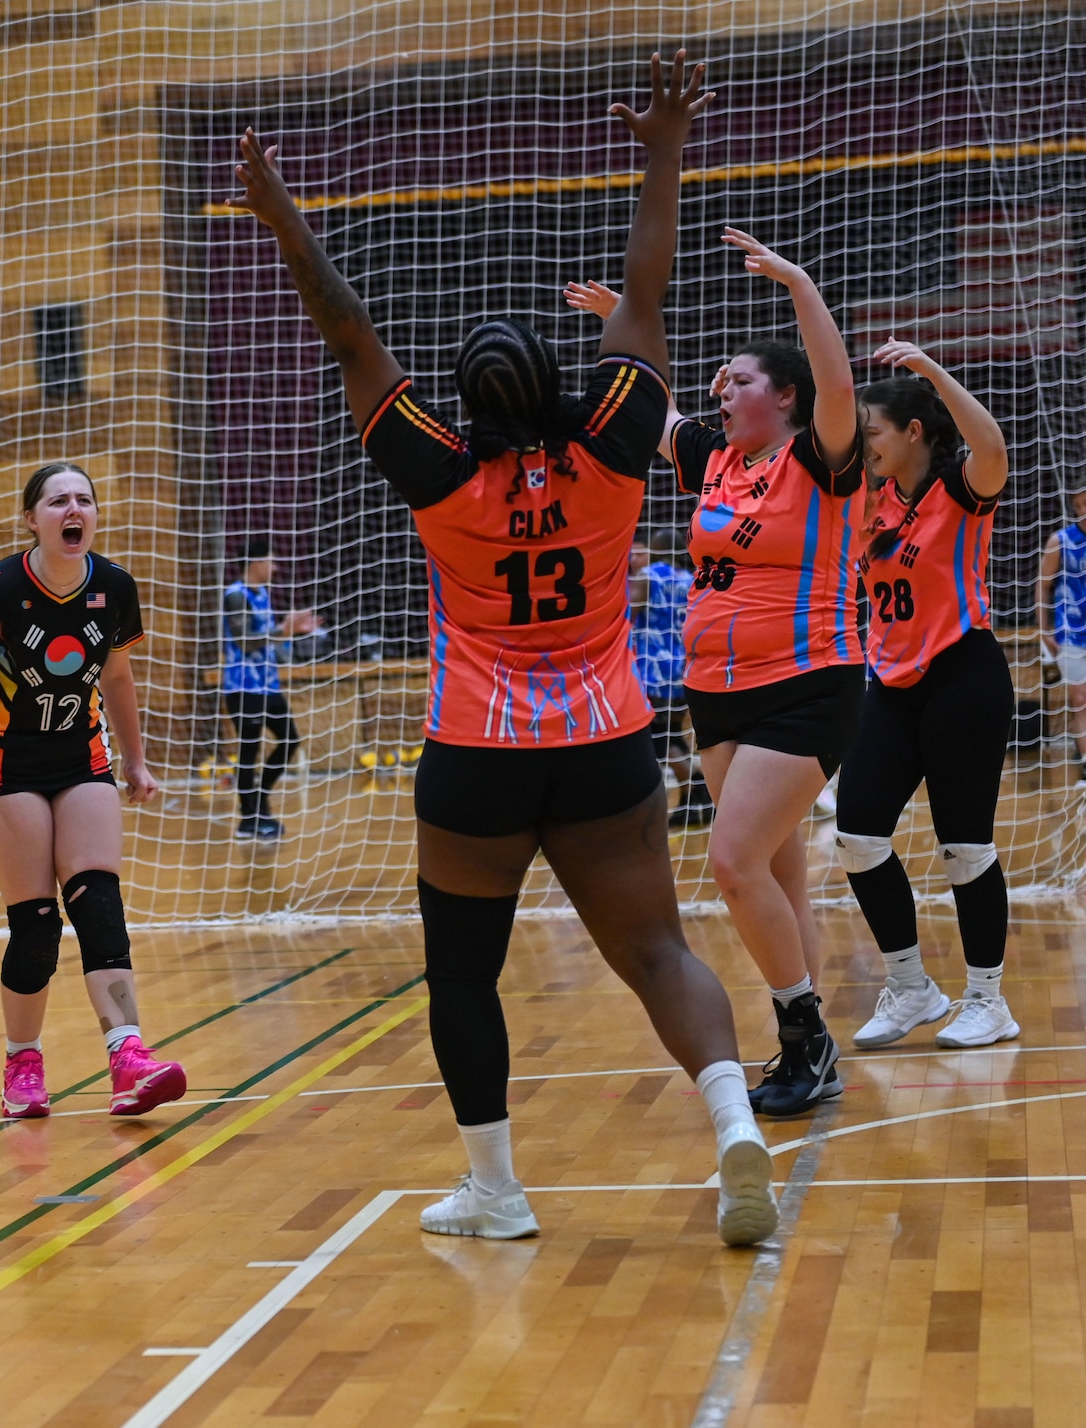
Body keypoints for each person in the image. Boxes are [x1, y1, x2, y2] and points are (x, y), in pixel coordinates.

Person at [234, 53, 778, 1246]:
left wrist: (282, 220)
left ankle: (494, 1190)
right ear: (556, 384)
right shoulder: (617, 445)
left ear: (467, 407)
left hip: (475, 750)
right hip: (606, 742)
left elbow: (345, 333)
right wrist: (662, 150)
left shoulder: (435, 471)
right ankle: (734, 1120)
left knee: (463, 976)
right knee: (653, 950)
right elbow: (643, 291)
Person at [575, 233, 864, 1117]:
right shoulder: (715, 460)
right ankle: (810, 1043)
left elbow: (836, 376)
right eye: (719, 383)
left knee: (732, 861)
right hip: (718, 689)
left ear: (783, 398)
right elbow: (647, 408)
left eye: (738, 381)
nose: (720, 391)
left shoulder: (819, 454)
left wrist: (798, 280)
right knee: (775, 877)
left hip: (809, 679)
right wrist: (621, 327)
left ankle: (803, 1036)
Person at [0, 462, 185, 1122]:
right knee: (37, 926)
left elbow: (120, 681)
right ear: (32, 519)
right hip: (7, 769)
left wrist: (136, 762)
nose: (72, 508)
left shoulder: (114, 587)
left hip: (83, 758)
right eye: (57, 500)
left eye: (83, 499)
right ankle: (22, 1061)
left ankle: (128, 1055)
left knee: (99, 902)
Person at [833, 342, 1016, 1048]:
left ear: (913, 432)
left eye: (873, 430)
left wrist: (932, 373)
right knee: (856, 835)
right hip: (891, 682)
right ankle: (912, 988)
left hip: (963, 677)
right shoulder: (868, 505)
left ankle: (989, 1000)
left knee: (963, 847)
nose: (865, 443)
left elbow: (990, 442)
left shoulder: (962, 491)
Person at [222, 536, 314, 840]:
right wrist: (282, 630)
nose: (275, 568)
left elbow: (271, 639)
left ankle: (260, 799)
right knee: (249, 751)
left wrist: (294, 634)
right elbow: (245, 641)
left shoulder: (264, 595)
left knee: (290, 740)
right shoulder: (236, 596)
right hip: (243, 687)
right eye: (272, 561)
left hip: (268, 685)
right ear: (257, 562)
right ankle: (249, 821)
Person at [627, 527, 711, 823]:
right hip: (683, 669)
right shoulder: (691, 581)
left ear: (656, 549)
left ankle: (698, 783)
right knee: (672, 736)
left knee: (657, 739)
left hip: (653, 670)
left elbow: (629, 614)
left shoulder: (649, 576)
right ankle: (695, 799)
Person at [1038, 488, 1086, 782]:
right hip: (1070, 631)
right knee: (1080, 699)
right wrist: (1044, 629)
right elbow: (1042, 585)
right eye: (1078, 504)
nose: (1083, 508)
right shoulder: (1061, 541)